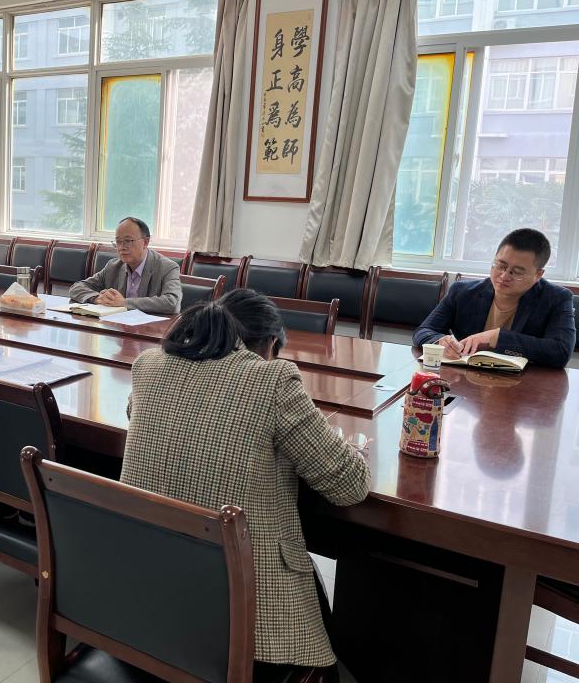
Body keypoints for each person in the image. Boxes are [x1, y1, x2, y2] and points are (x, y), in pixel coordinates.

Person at [120, 289, 369, 677]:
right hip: (241, 625)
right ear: (270, 346)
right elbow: (350, 486)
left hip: (142, 603)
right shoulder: (273, 379)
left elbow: (135, 412)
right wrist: (349, 449)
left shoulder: (149, 365)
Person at [413, 228, 575, 368]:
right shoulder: (463, 292)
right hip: (465, 380)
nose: (504, 276)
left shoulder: (557, 298)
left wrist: (497, 337)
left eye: (517, 272)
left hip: (522, 385)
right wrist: (441, 341)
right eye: (500, 265)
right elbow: (423, 331)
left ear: (538, 274)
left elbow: (561, 352)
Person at [69, 217, 182, 314]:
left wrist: (124, 303)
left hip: (150, 329)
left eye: (128, 241)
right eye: (118, 242)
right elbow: (77, 287)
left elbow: (172, 303)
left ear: (145, 242)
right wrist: (97, 298)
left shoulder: (167, 267)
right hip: (117, 327)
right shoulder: (113, 266)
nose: (121, 247)